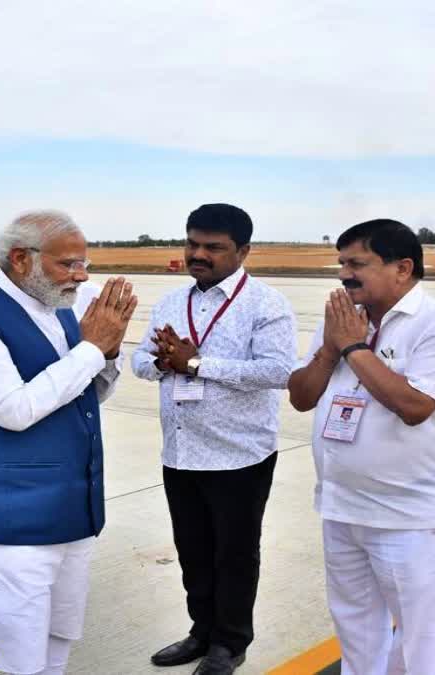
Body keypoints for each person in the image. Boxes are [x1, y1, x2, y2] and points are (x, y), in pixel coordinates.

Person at [0, 211, 135, 675]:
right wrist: (90, 349)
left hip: (70, 506)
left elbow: (88, 393)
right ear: (21, 259)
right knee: (9, 652)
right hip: (7, 514)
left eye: (85, 263)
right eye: (70, 264)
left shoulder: (60, 309)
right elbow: (12, 410)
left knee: (50, 638)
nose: (82, 276)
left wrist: (108, 353)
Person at [288, 219, 435, 675]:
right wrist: (330, 350)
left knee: (417, 638)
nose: (344, 274)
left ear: (402, 268)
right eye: (341, 263)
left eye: (357, 263)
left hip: (406, 515)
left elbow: (412, 406)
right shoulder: (341, 320)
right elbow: (301, 397)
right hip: (341, 505)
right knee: (355, 626)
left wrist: (353, 347)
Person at [131, 204, 297, 675]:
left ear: (243, 251)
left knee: (235, 553)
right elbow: (139, 362)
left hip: (239, 454)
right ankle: (200, 631)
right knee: (193, 550)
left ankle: (230, 642)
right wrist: (163, 362)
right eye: (192, 244)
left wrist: (198, 365)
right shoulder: (170, 302)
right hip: (181, 451)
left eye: (213, 247)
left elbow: (279, 372)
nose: (198, 254)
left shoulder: (265, 305)